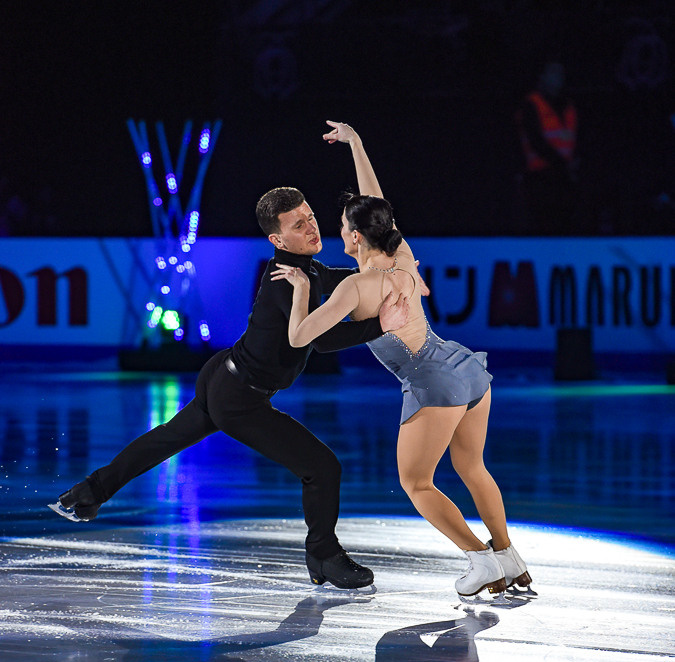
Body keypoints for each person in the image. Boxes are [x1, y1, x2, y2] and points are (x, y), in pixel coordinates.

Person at [49, 187, 409, 589]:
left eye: (309, 216)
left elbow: (334, 280)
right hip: (241, 398)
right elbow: (316, 338)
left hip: (224, 375)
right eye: (298, 224)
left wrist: (378, 275)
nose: (311, 227)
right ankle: (323, 554)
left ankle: (87, 493)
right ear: (276, 240)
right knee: (322, 468)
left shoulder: (304, 269)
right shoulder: (285, 281)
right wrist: (380, 324)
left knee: (165, 439)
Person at [271, 121, 532, 599]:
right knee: (472, 467)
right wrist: (357, 144)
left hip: (432, 383)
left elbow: (298, 337)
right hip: (464, 369)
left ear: (352, 236)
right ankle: (508, 554)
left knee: (416, 483)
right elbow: (377, 205)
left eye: (342, 226)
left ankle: (482, 561)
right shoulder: (403, 253)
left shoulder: (356, 286)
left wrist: (304, 288)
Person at [516, 61, 579, 235]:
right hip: (539, 181)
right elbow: (536, 142)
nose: (558, 77)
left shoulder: (569, 107)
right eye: (553, 72)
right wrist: (562, 164)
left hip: (565, 182)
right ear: (541, 76)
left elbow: (577, 140)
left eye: (560, 72)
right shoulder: (531, 105)